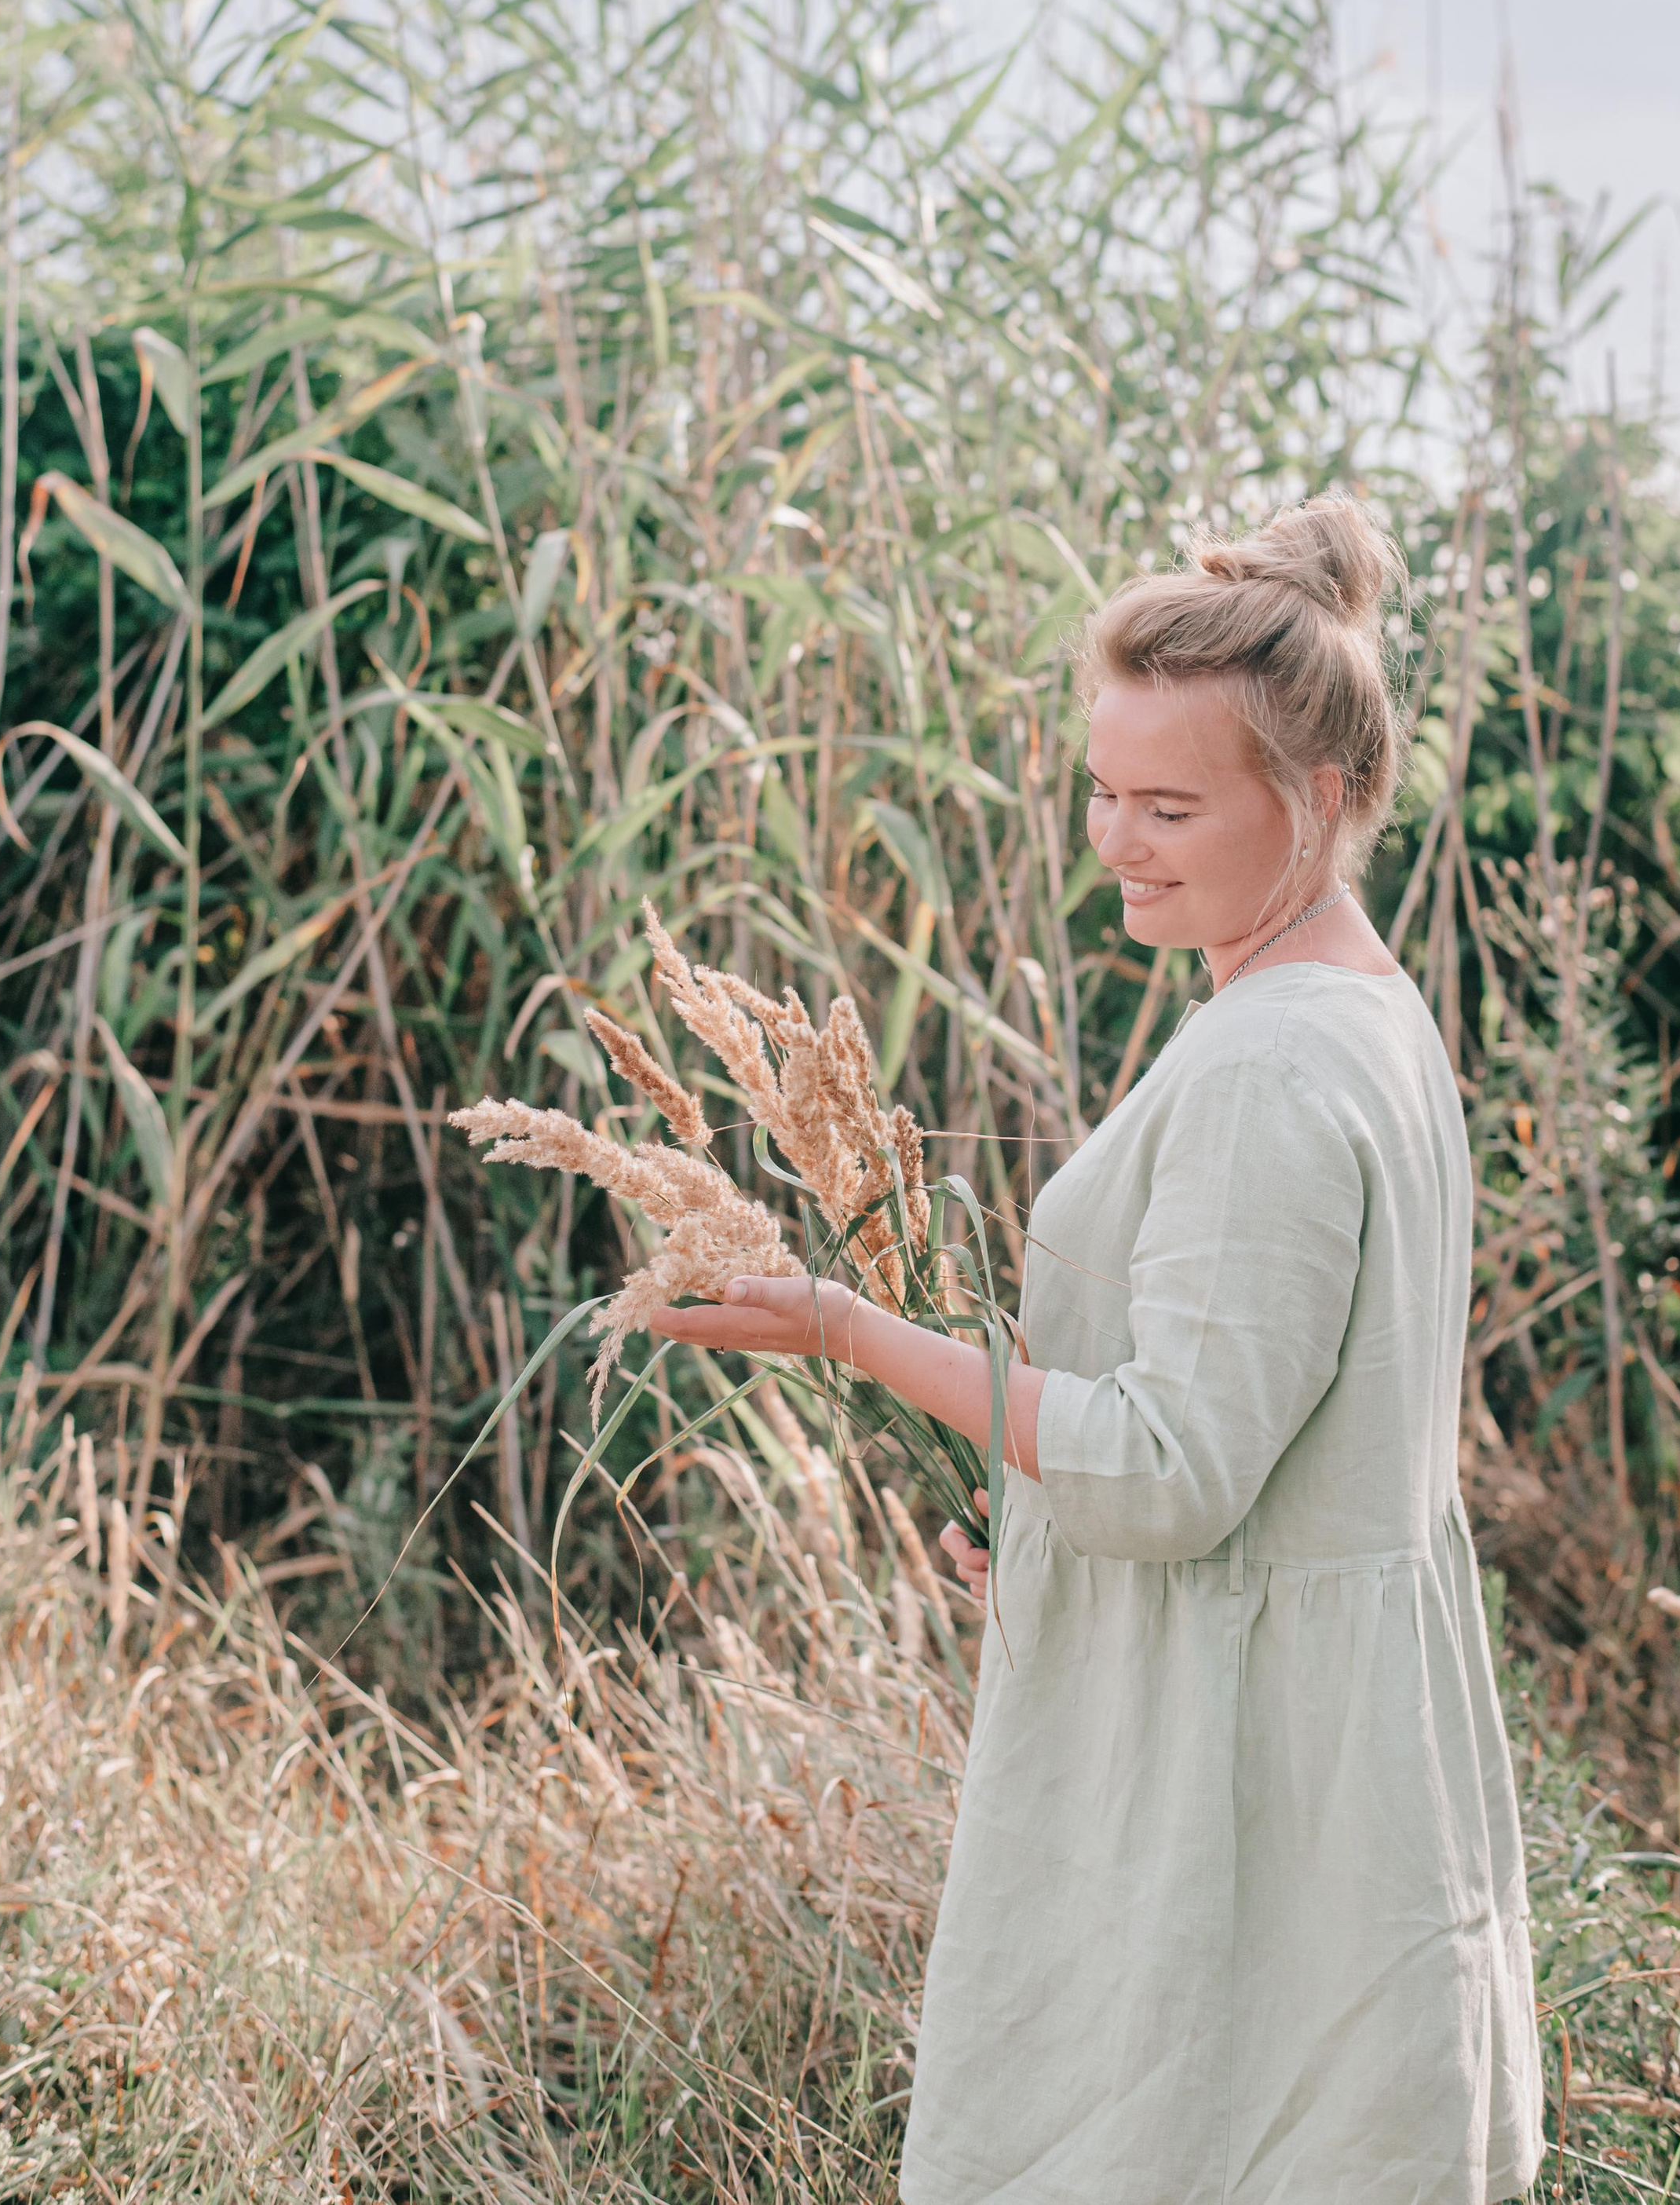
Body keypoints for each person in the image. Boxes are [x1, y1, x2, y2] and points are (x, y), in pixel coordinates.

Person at [656, 494, 1545, 2203]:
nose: (1116, 845)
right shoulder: (1358, 1015)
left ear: (1328, 795)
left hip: (1251, 1791)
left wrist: (852, 1331)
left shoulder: (1264, 1070)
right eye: (1102, 794)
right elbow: (1247, 1432)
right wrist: (1037, 1501)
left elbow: (1166, 1470)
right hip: (1319, 1728)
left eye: (1169, 805)